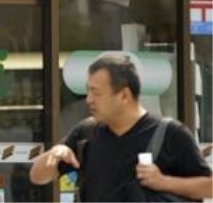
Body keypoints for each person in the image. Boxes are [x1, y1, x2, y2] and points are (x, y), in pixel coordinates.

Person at [29, 53, 212, 202]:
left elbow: (209, 187)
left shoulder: (171, 134)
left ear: (124, 95)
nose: (89, 99)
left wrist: (163, 182)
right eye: (88, 91)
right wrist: (52, 154)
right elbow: (37, 177)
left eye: (96, 92)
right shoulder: (86, 133)